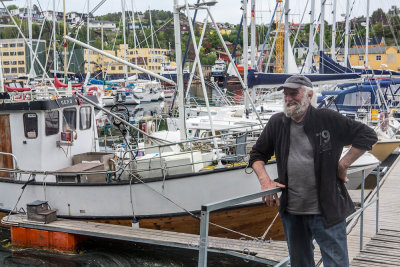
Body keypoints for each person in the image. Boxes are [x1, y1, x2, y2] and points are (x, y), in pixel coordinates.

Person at [249, 75, 378, 267]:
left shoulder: (327, 119)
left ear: (309, 95)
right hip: (292, 212)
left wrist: (344, 164)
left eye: (294, 93)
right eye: (285, 94)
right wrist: (265, 181)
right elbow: (257, 154)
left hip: (327, 210)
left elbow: (368, 135)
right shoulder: (277, 123)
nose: (288, 98)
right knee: (300, 264)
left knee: (336, 264)